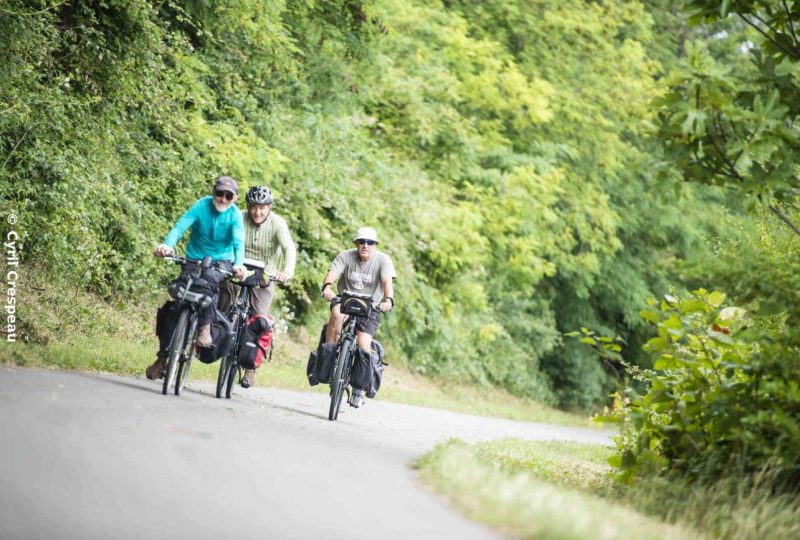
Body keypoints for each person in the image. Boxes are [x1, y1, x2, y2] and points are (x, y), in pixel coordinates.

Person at [145, 176, 246, 380]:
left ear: (234, 198)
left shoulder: (235, 215)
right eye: (220, 194)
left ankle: (205, 328)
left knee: (208, 284)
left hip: (221, 262)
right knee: (177, 302)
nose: (223, 199)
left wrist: (238, 264)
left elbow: (238, 242)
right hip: (194, 259)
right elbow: (180, 227)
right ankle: (162, 359)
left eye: (229, 196)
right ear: (213, 192)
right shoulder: (201, 205)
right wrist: (167, 245)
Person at [218, 185, 296, 388]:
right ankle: (221, 329)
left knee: (259, 317)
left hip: (265, 275)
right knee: (223, 291)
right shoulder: (239, 217)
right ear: (248, 206)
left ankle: (250, 369)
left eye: (262, 207)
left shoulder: (278, 224)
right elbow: (224, 238)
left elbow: (289, 248)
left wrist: (287, 271)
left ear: (269, 207)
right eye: (253, 207)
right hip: (239, 267)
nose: (257, 212)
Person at [321, 226, 395, 408]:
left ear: (375, 245)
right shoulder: (346, 256)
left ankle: (358, 389)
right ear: (356, 243)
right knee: (336, 316)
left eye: (370, 243)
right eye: (362, 242)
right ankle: (329, 361)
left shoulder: (383, 260)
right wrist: (328, 287)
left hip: (371, 306)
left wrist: (388, 300)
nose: (365, 245)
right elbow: (333, 272)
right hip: (346, 300)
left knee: (363, 343)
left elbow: (386, 281)